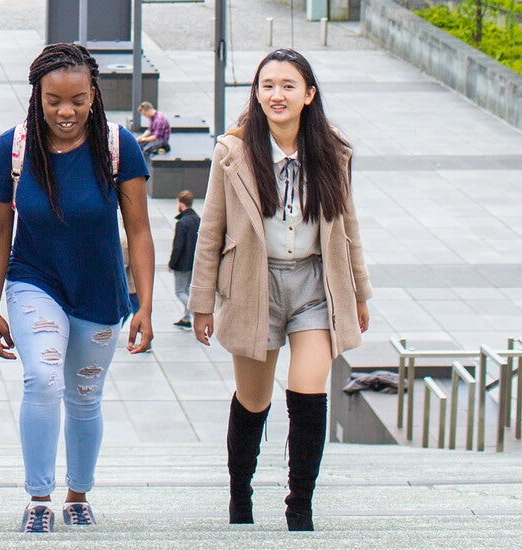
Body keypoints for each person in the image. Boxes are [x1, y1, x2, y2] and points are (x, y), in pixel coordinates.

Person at [189, 48, 371, 532]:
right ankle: (240, 497)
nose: (277, 94)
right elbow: (211, 230)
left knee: (308, 394)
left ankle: (300, 507)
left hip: (315, 286)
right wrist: (201, 304)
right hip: (253, 286)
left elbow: (348, 227)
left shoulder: (332, 151)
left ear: (309, 95)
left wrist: (359, 294)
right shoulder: (232, 153)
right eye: (267, 85)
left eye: (288, 85)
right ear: (256, 93)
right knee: (253, 401)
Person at [0, 43, 155, 534]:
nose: (66, 111)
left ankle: (78, 493)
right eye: (53, 100)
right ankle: (38, 497)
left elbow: (139, 230)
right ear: (36, 96)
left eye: (78, 100)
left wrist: (144, 304)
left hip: (99, 291)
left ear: (93, 94)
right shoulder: (13, 148)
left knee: (84, 395)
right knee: (42, 378)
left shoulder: (118, 147)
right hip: (34, 281)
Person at [169, 190, 199, 328]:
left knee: (180, 291)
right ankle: (186, 319)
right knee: (187, 290)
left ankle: (195, 314)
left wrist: (172, 263)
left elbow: (178, 246)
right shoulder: (198, 220)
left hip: (182, 264)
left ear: (181, 204)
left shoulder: (182, 223)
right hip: (194, 262)